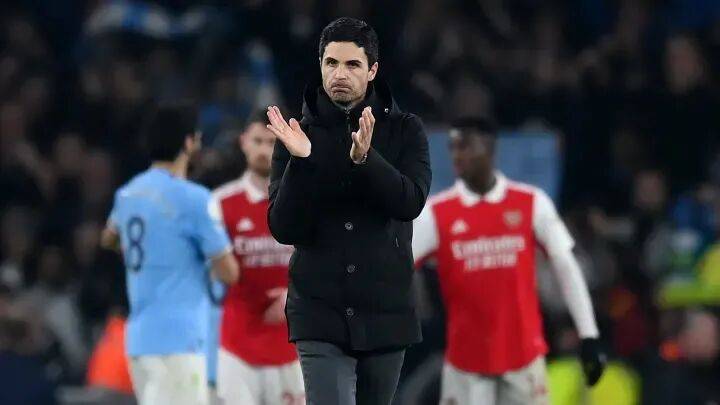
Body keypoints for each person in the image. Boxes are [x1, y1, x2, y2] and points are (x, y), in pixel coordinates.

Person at [266, 17, 432, 405]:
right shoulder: (295, 135)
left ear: (372, 70)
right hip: (318, 313)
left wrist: (366, 160)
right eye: (331, 63)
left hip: (385, 313)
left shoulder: (406, 130)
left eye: (352, 64)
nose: (339, 74)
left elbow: (410, 202)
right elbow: (284, 227)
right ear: (320, 65)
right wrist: (302, 162)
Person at [412, 118, 606, 405]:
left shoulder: (531, 202)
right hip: (465, 364)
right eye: (454, 148)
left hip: (524, 360)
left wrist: (588, 335)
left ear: (490, 150)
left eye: (467, 146)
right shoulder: (436, 213)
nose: (458, 155)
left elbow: (566, 267)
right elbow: (396, 269)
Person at [100, 101, 239, 405]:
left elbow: (108, 238)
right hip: (179, 340)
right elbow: (229, 273)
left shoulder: (128, 194)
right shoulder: (194, 199)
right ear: (188, 142)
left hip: (139, 342)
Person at [213, 110, 305, 405]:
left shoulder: (303, 201)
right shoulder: (220, 203)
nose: (264, 150)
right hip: (237, 350)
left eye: (272, 141)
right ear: (243, 142)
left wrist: (295, 294)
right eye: (257, 141)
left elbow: (329, 262)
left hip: (292, 348)